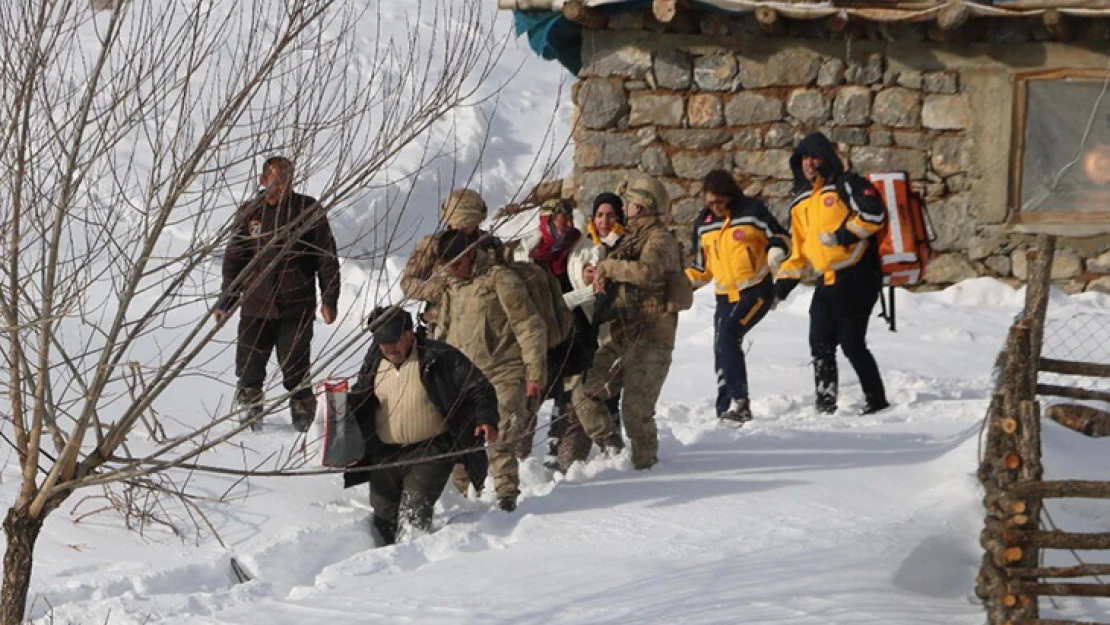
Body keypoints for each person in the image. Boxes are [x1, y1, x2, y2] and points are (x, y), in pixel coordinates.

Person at [343, 306, 499, 545]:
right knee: (384, 513)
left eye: (393, 341)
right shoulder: (375, 359)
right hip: (386, 452)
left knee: (414, 510)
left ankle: (412, 565)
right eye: (382, 343)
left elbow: (479, 388)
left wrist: (486, 419)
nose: (388, 348)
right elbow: (361, 394)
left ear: (409, 334)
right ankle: (384, 563)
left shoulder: (439, 356)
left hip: (430, 449)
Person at [214, 156, 340, 432]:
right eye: (275, 180)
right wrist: (226, 301)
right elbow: (235, 260)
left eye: (286, 180)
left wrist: (329, 299)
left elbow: (327, 259)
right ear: (263, 181)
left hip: (295, 307)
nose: (281, 186)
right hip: (255, 306)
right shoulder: (250, 212)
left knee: (295, 367)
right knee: (249, 369)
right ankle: (249, 420)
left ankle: (304, 420)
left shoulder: (307, 210)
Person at [571, 175, 685, 470]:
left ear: (642, 205)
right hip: (623, 334)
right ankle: (612, 447)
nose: (624, 207)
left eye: (629, 202)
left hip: (652, 338)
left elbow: (647, 272)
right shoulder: (630, 238)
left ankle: (646, 468)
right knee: (585, 393)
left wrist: (610, 267)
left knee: (636, 411)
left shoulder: (660, 239)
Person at [774, 132, 891, 416]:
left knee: (852, 343)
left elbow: (874, 216)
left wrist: (841, 236)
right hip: (826, 280)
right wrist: (780, 289)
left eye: (814, 157)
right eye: (803, 158)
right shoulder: (800, 202)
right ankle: (825, 404)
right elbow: (798, 252)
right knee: (820, 345)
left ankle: (876, 401)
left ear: (827, 157)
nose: (809, 164)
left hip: (858, 275)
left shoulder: (847, 184)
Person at [436, 229, 547, 511]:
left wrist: (534, 373)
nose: (452, 270)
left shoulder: (501, 280)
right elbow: (443, 329)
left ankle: (507, 496)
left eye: (457, 264)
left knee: (501, 433)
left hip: (503, 368)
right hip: (463, 375)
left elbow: (529, 326)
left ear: (471, 254)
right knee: (458, 440)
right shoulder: (450, 285)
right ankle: (456, 502)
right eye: (446, 265)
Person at [686, 170, 790, 425]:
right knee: (721, 347)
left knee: (730, 335)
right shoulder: (704, 223)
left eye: (719, 202)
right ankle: (724, 407)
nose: (715, 208)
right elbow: (702, 268)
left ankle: (740, 403)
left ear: (730, 196)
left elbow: (781, 236)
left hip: (755, 290)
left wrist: (776, 249)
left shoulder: (752, 212)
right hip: (724, 295)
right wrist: (681, 285)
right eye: (709, 203)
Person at [400, 188, 492, 333]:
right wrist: (444, 290)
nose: (462, 228)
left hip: (483, 324)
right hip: (443, 325)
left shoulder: (489, 244)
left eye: (468, 223)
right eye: (459, 222)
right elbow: (407, 284)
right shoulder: (433, 245)